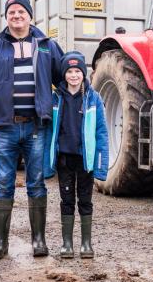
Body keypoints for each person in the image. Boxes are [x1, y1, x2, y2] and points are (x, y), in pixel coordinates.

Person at [0, 0, 63, 259]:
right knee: (3, 184)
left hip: (36, 127)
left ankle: (38, 241)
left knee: (36, 182)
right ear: (6, 17)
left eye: (21, 12)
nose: (16, 16)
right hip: (3, 128)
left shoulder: (46, 45)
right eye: (11, 12)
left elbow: (66, 75)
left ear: (30, 16)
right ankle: (0, 243)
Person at [46, 52, 108, 259]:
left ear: (84, 74)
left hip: (85, 160)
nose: (74, 75)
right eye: (69, 71)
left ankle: (86, 244)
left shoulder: (93, 98)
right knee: (66, 200)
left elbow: (101, 132)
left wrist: (101, 164)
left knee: (85, 200)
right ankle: (66, 244)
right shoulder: (56, 98)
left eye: (77, 71)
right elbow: (48, 132)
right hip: (65, 159)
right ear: (64, 75)